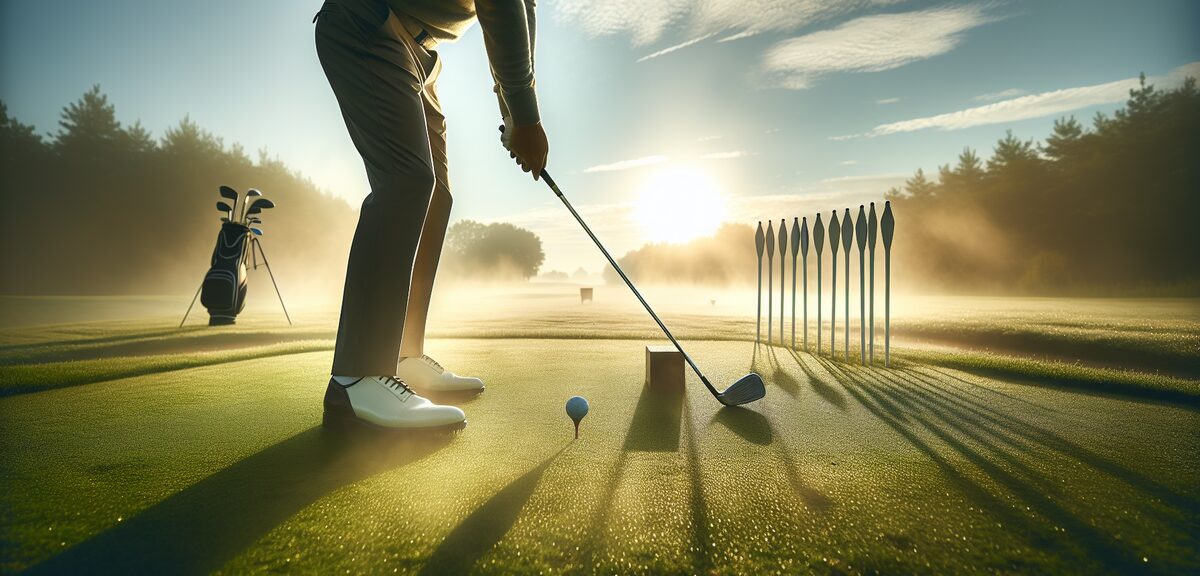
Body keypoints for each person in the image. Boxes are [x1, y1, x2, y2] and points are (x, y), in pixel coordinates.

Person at [314, 0, 548, 431]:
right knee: (407, 180)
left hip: (418, 53)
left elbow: (522, 7)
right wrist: (526, 114)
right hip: (366, 19)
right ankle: (357, 377)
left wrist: (513, 113)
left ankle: (403, 356)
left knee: (436, 194)